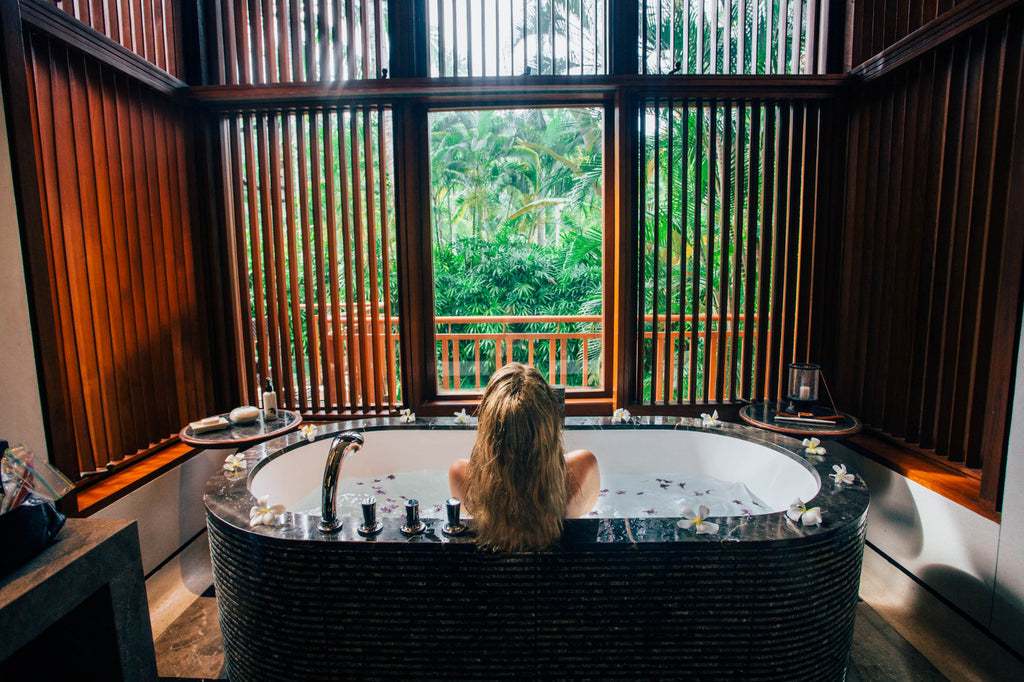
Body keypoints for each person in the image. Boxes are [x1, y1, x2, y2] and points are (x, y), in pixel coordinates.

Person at [448, 362, 600, 551]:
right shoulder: (584, 466)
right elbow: (583, 514)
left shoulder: (461, 475)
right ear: (550, 425)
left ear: (488, 424)